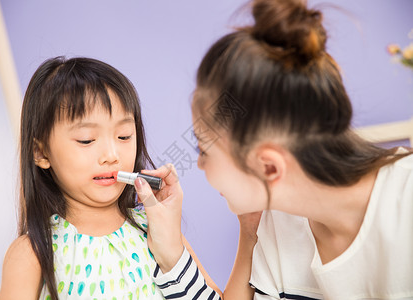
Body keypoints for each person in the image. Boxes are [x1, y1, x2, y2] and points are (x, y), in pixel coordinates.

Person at [135, 0, 413, 299]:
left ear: (268, 167)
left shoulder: (404, 203)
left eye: (204, 150)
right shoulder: (276, 223)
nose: (199, 166)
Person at [0, 56, 222, 300]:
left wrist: (177, 254)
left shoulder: (156, 231)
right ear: (40, 152)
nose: (111, 156)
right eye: (86, 140)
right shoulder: (33, 254)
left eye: (124, 136)